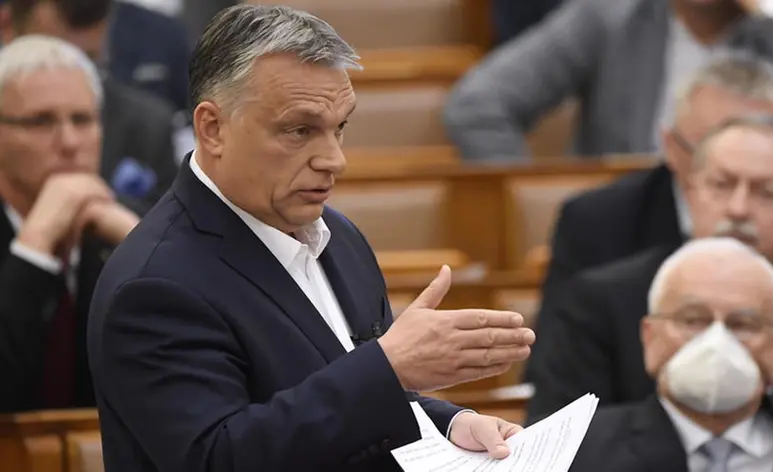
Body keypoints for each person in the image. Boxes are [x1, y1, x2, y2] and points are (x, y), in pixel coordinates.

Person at [87, 5, 536, 471]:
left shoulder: (339, 238)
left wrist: (448, 424)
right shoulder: (154, 287)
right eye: (300, 131)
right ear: (212, 128)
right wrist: (388, 366)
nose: (334, 159)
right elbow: (219, 457)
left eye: (339, 128)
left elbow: (349, 401)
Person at [525, 54, 773, 382]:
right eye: (721, 180)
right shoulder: (602, 285)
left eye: (769, 191)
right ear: (687, 181)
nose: (739, 208)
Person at [568, 237, 773, 472]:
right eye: (693, 320)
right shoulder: (578, 451)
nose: (716, 343)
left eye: (742, 325)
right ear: (650, 337)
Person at [444, 0, 773, 161]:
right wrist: (538, 200)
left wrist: (772, 17)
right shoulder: (610, 16)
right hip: (624, 235)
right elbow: (477, 106)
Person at [0, 35, 139, 412]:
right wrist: (35, 244)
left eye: (82, 119)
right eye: (41, 121)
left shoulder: (137, 226)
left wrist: (142, 247)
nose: (70, 142)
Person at [0, 0, 180, 214]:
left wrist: (127, 232)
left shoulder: (146, 125)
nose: (70, 142)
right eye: (41, 121)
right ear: (7, 26)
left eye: (87, 61)